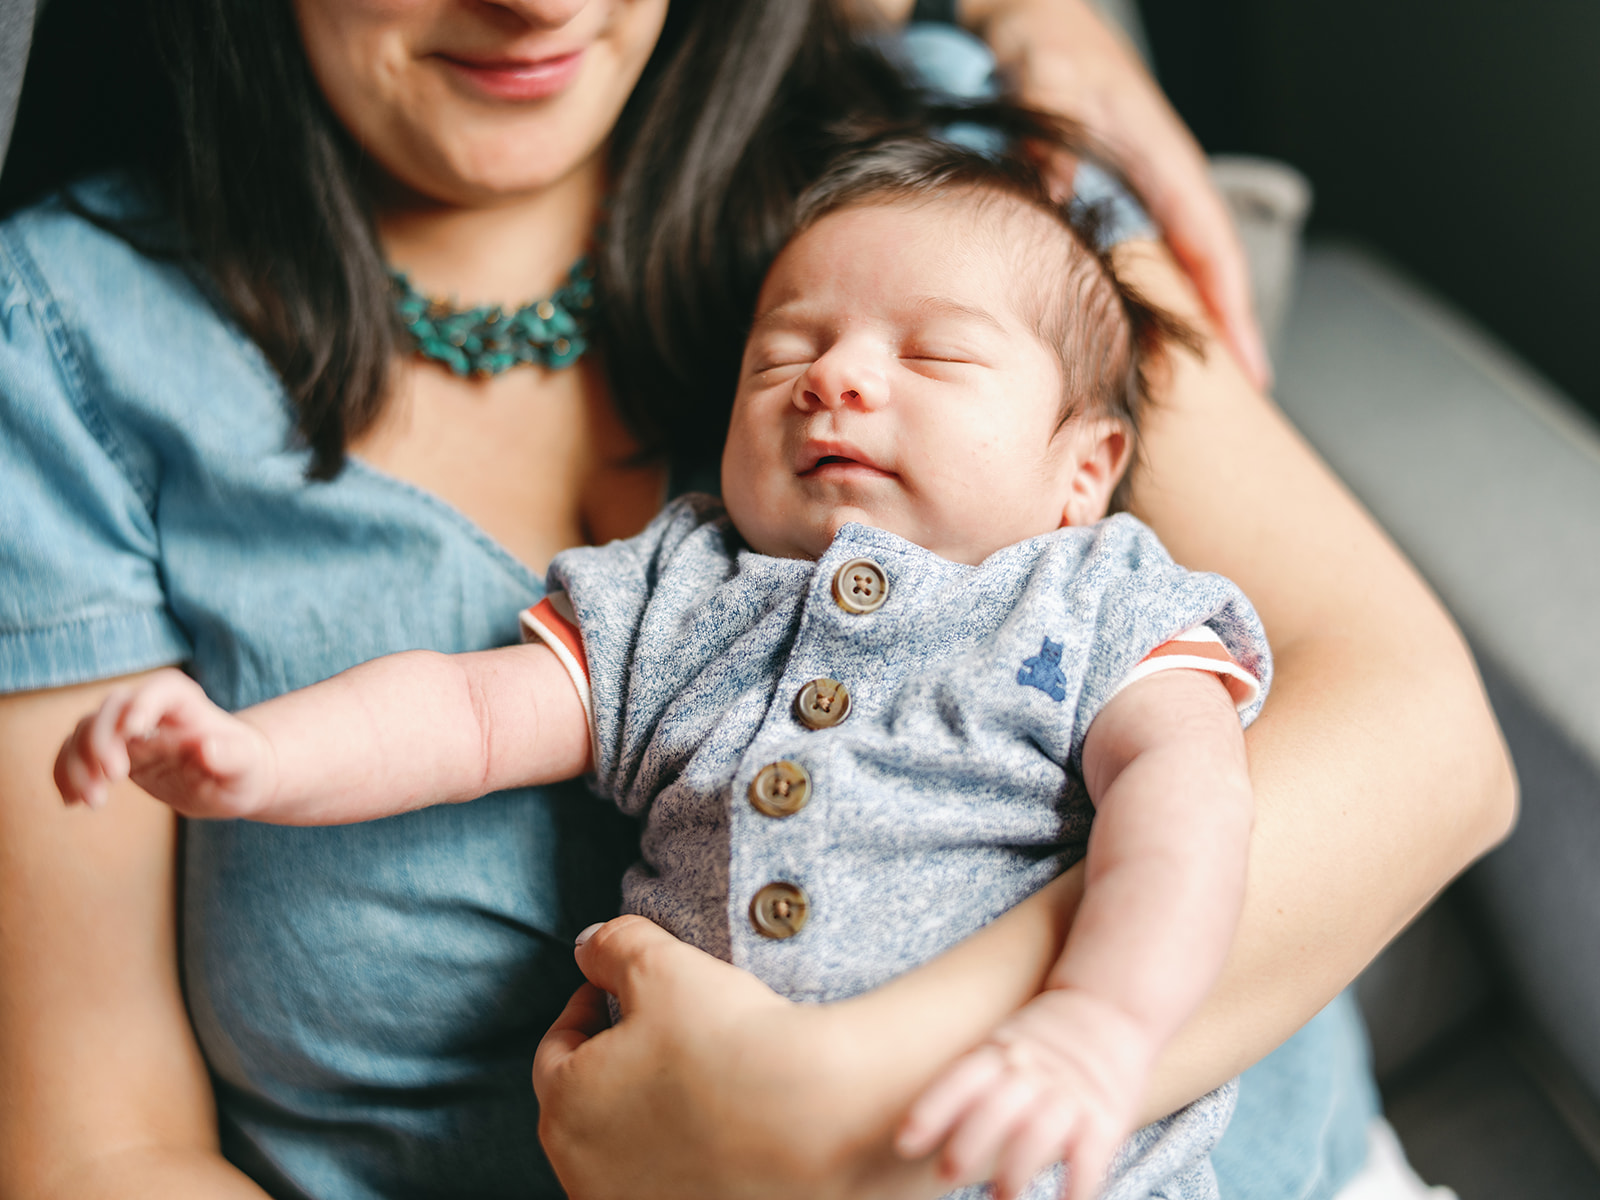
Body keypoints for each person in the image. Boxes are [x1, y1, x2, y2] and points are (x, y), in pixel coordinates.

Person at [0, 2, 1513, 1200]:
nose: (541, 6)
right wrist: (254, 757)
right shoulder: (678, 585)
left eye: (929, 360)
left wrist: (834, 1106)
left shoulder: (955, 177)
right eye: (793, 346)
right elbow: (100, 1147)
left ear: (1088, 466)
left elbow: (1408, 748)